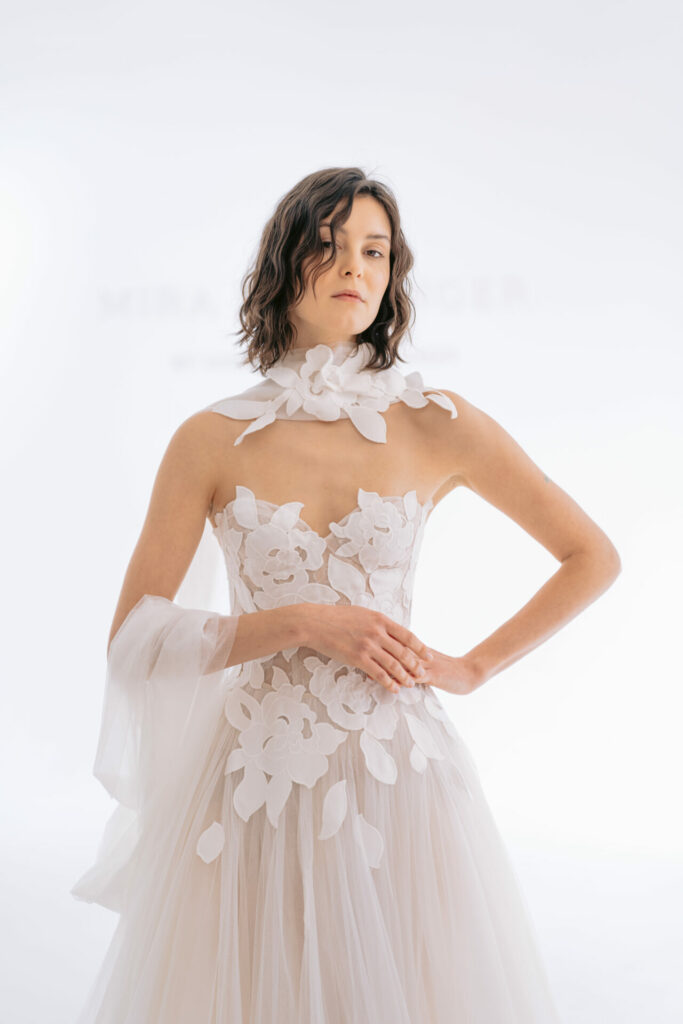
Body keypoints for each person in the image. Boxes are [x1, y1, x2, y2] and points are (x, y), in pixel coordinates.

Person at [71, 166, 621, 1023]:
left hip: (395, 774)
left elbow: (590, 554)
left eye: (375, 250)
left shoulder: (439, 421)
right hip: (253, 774)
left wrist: (470, 668)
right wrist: (297, 621)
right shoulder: (209, 439)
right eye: (328, 245)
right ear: (285, 261)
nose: (353, 267)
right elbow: (135, 637)